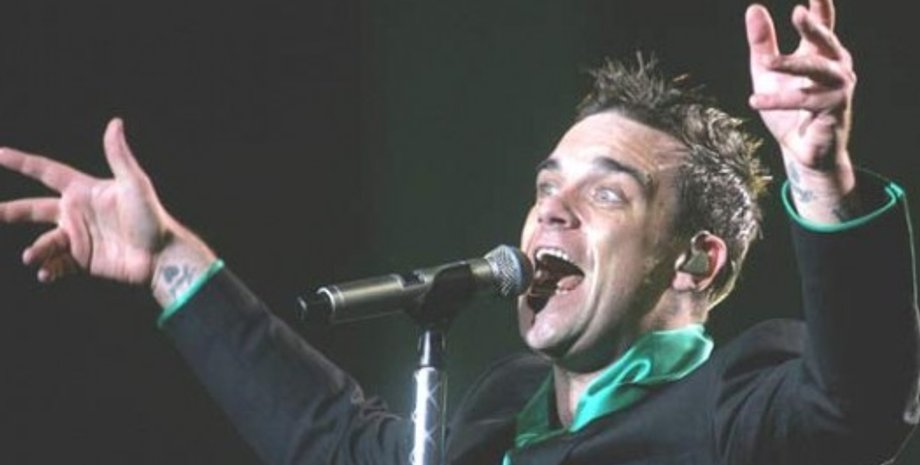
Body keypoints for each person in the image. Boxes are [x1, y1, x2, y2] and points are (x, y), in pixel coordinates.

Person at [0, 0, 917, 464]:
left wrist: (819, 175)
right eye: (546, 185)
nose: (550, 208)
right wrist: (168, 259)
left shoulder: (738, 401)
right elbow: (336, 440)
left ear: (695, 259)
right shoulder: (498, 409)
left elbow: (858, 400)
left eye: (606, 194)